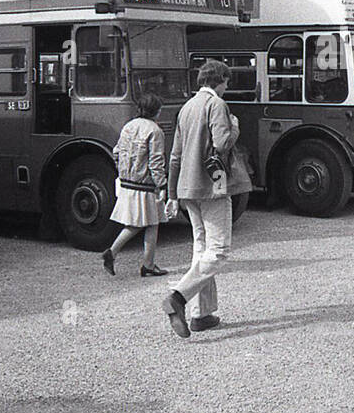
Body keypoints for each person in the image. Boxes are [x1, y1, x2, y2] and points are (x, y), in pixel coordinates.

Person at [160, 60, 251, 337]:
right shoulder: (217, 106)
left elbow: (174, 156)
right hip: (214, 185)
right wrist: (234, 126)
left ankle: (202, 315)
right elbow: (223, 142)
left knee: (201, 249)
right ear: (220, 79)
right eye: (226, 82)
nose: (226, 87)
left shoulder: (186, 108)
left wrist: (172, 194)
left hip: (187, 188)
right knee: (219, 250)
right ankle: (178, 297)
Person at [102, 91, 168, 277]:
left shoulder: (128, 126)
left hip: (128, 183)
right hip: (145, 185)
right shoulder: (155, 131)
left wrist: (124, 170)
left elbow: (116, 152)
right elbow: (156, 162)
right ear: (156, 110)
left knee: (138, 223)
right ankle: (147, 264)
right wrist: (162, 184)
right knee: (152, 223)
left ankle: (114, 253)